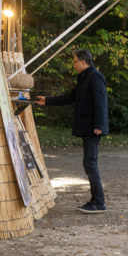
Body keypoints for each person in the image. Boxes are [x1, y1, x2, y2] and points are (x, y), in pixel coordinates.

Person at [36, 49, 108, 213]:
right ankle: (96, 200)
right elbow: (69, 97)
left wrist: (99, 125)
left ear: (83, 62)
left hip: (93, 128)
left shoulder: (94, 76)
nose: (73, 65)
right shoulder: (84, 78)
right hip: (88, 127)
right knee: (89, 163)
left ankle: (98, 202)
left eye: (75, 62)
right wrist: (47, 101)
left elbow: (101, 102)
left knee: (90, 163)